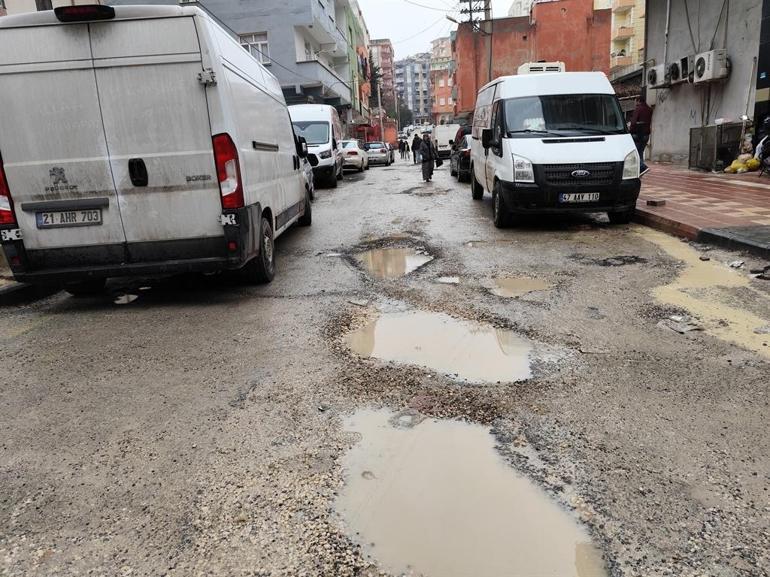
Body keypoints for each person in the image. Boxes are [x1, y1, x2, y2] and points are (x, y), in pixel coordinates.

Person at [629, 93, 653, 176]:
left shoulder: (638, 109)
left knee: (635, 153)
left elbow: (633, 122)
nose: (635, 103)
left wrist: (630, 130)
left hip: (637, 134)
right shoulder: (649, 109)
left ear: (638, 101)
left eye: (636, 101)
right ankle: (640, 170)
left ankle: (643, 167)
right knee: (640, 151)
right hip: (646, 134)